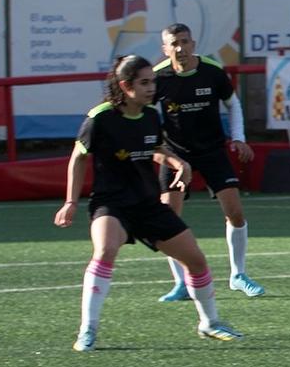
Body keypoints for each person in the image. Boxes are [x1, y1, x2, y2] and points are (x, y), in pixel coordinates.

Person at [55, 55, 243, 350]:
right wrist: (70, 202)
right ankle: (87, 330)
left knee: (196, 260)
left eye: (152, 82)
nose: (151, 88)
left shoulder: (151, 116)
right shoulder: (100, 117)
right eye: (144, 83)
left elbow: (153, 147)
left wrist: (177, 161)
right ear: (125, 85)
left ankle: (209, 322)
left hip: (147, 204)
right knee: (105, 250)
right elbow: (78, 158)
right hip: (111, 204)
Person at [153, 24, 265, 301]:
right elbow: (146, 115)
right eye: (174, 43)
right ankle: (181, 283)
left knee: (235, 213)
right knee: (169, 218)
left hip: (213, 151)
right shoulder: (157, 78)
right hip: (177, 155)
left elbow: (233, 104)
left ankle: (238, 275)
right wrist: (162, 152)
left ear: (193, 43)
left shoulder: (212, 71)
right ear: (165, 49)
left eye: (185, 41)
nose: (180, 48)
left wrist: (238, 138)